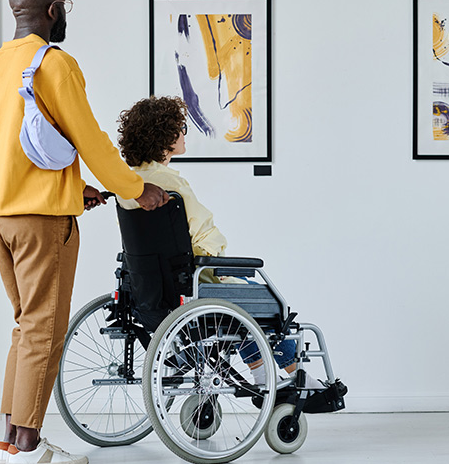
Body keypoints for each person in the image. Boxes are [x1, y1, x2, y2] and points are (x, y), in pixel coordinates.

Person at [0, 0, 168, 464]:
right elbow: (92, 139)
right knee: (43, 331)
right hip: (40, 223)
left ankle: (8, 444)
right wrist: (136, 188)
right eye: (66, 9)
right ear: (54, 11)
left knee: (25, 327)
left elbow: (14, 146)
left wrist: (72, 188)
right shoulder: (54, 64)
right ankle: (29, 450)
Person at [115, 95, 326, 389]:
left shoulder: (130, 186)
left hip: (148, 292)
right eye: (181, 128)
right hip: (190, 284)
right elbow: (204, 236)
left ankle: (257, 371)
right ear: (165, 136)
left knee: (242, 302)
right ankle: (293, 377)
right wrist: (223, 267)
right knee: (267, 302)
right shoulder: (172, 185)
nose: (183, 134)